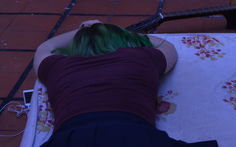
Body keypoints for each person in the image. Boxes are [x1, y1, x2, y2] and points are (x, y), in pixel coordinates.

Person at [34, 20, 218, 147]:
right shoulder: (141, 57)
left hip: (71, 136)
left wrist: (84, 29)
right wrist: (109, 28)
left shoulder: (57, 66)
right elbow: (165, 45)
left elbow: (45, 47)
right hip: (131, 132)